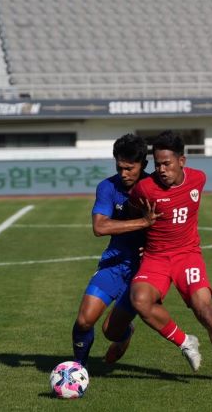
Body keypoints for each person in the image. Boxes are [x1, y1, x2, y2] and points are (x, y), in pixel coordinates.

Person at [127, 130, 212, 385]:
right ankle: (185, 342)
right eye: (157, 164)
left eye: (167, 164)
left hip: (188, 256)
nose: (161, 170)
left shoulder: (198, 179)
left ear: (181, 161)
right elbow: (133, 215)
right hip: (156, 257)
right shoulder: (143, 189)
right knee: (140, 301)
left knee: (204, 310)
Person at [72, 134, 157, 368]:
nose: (124, 174)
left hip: (144, 271)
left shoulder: (154, 190)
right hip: (114, 263)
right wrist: (143, 223)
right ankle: (79, 368)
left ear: (144, 165)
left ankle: (124, 334)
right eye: (120, 167)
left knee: (110, 331)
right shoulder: (107, 187)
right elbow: (99, 227)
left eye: (130, 168)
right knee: (83, 321)